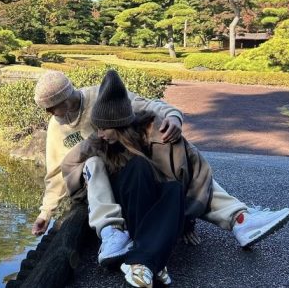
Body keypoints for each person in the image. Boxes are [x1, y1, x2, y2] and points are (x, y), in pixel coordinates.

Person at [31, 70, 289, 265]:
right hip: (105, 183)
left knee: (182, 158)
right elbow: (56, 173)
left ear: (65, 99)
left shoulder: (103, 97)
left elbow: (151, 105)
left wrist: (173, 118)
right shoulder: (58, 128)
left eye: (52, 108)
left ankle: (240, 219)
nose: (51, 115)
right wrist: (46, 212)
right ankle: (112, 233)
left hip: (135, 168)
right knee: (93, 162)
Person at [64, 69, 215, 286]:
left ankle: (143, 261)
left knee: (172, 188)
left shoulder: (149, 132)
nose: (99, 133)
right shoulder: (97, 143)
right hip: (123, 205)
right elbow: (68, 164)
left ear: (119, 125)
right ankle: (148, 259)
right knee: (138, 167)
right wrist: (84, 191)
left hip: (147, 202)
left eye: (104, 128)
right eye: (97, 128)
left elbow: (191, 171)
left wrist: (187, 222)